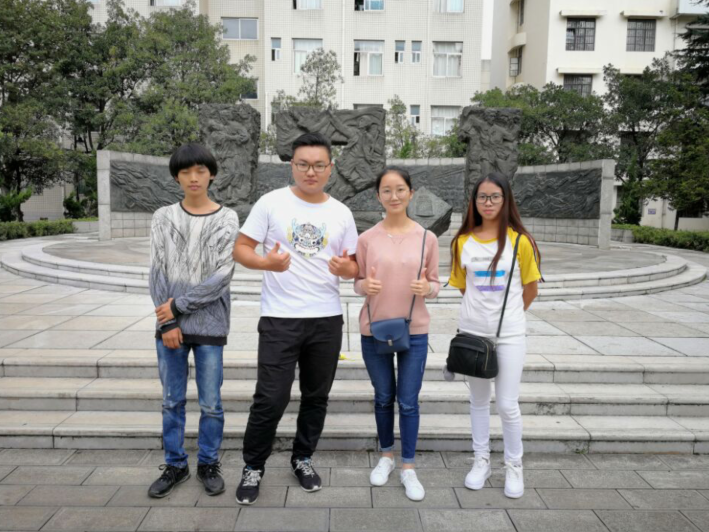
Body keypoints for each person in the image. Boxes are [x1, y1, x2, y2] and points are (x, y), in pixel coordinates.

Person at [232, 132, 359, 505]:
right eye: (303, 164)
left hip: (326, 319)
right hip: (280, 319)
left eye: (319, 165)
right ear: (292, 165)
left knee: (316, 396)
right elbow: (241, 248)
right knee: (270, 398)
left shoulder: (341, 212)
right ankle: (253, 466)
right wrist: (266, 263)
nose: (311, 171)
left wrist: (347, 268)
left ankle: (302, 458)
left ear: (331, 168)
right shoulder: (271, 203)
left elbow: (354, 265)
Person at [148, 143, 239, 499]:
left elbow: (222, 276)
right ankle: (175, 464)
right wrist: (168, 323)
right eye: (185, 172)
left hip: (210, 326)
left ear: (211, 174)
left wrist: (178, 307)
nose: (193, 177)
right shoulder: (163, 217)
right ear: (177, 177)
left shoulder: (227, 218)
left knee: (211, 403)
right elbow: (157, 272)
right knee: (172, 401)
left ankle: (208, 463)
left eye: (200, 170)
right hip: (170, 329)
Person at [448, 172, 541, 499]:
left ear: (505, 200)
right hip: (473, 335)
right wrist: (481, 317)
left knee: (506, 404)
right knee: (477, 401)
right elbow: (464, 287)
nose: (488, 202)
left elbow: (530, 290)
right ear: (474, 201)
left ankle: (514, 465)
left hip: (510, 335)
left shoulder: (520, 241)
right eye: (482, 197)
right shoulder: (462, 241)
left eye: (494, 197)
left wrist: (508, 318)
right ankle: (481, 460)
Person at [353, 167, 440, 501]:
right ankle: (386, 456)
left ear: (411, 193)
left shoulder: (427, 238)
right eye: (387, 190)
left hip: (413, 330)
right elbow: (357, 281)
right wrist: (365, 285)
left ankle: (408, 467)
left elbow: (436, 282)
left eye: (400, 189)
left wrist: (428, 288)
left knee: (408, 401)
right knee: (383, 397)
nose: (394, 196)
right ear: (378, 196)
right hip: (374, 328)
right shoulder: (366, 238)